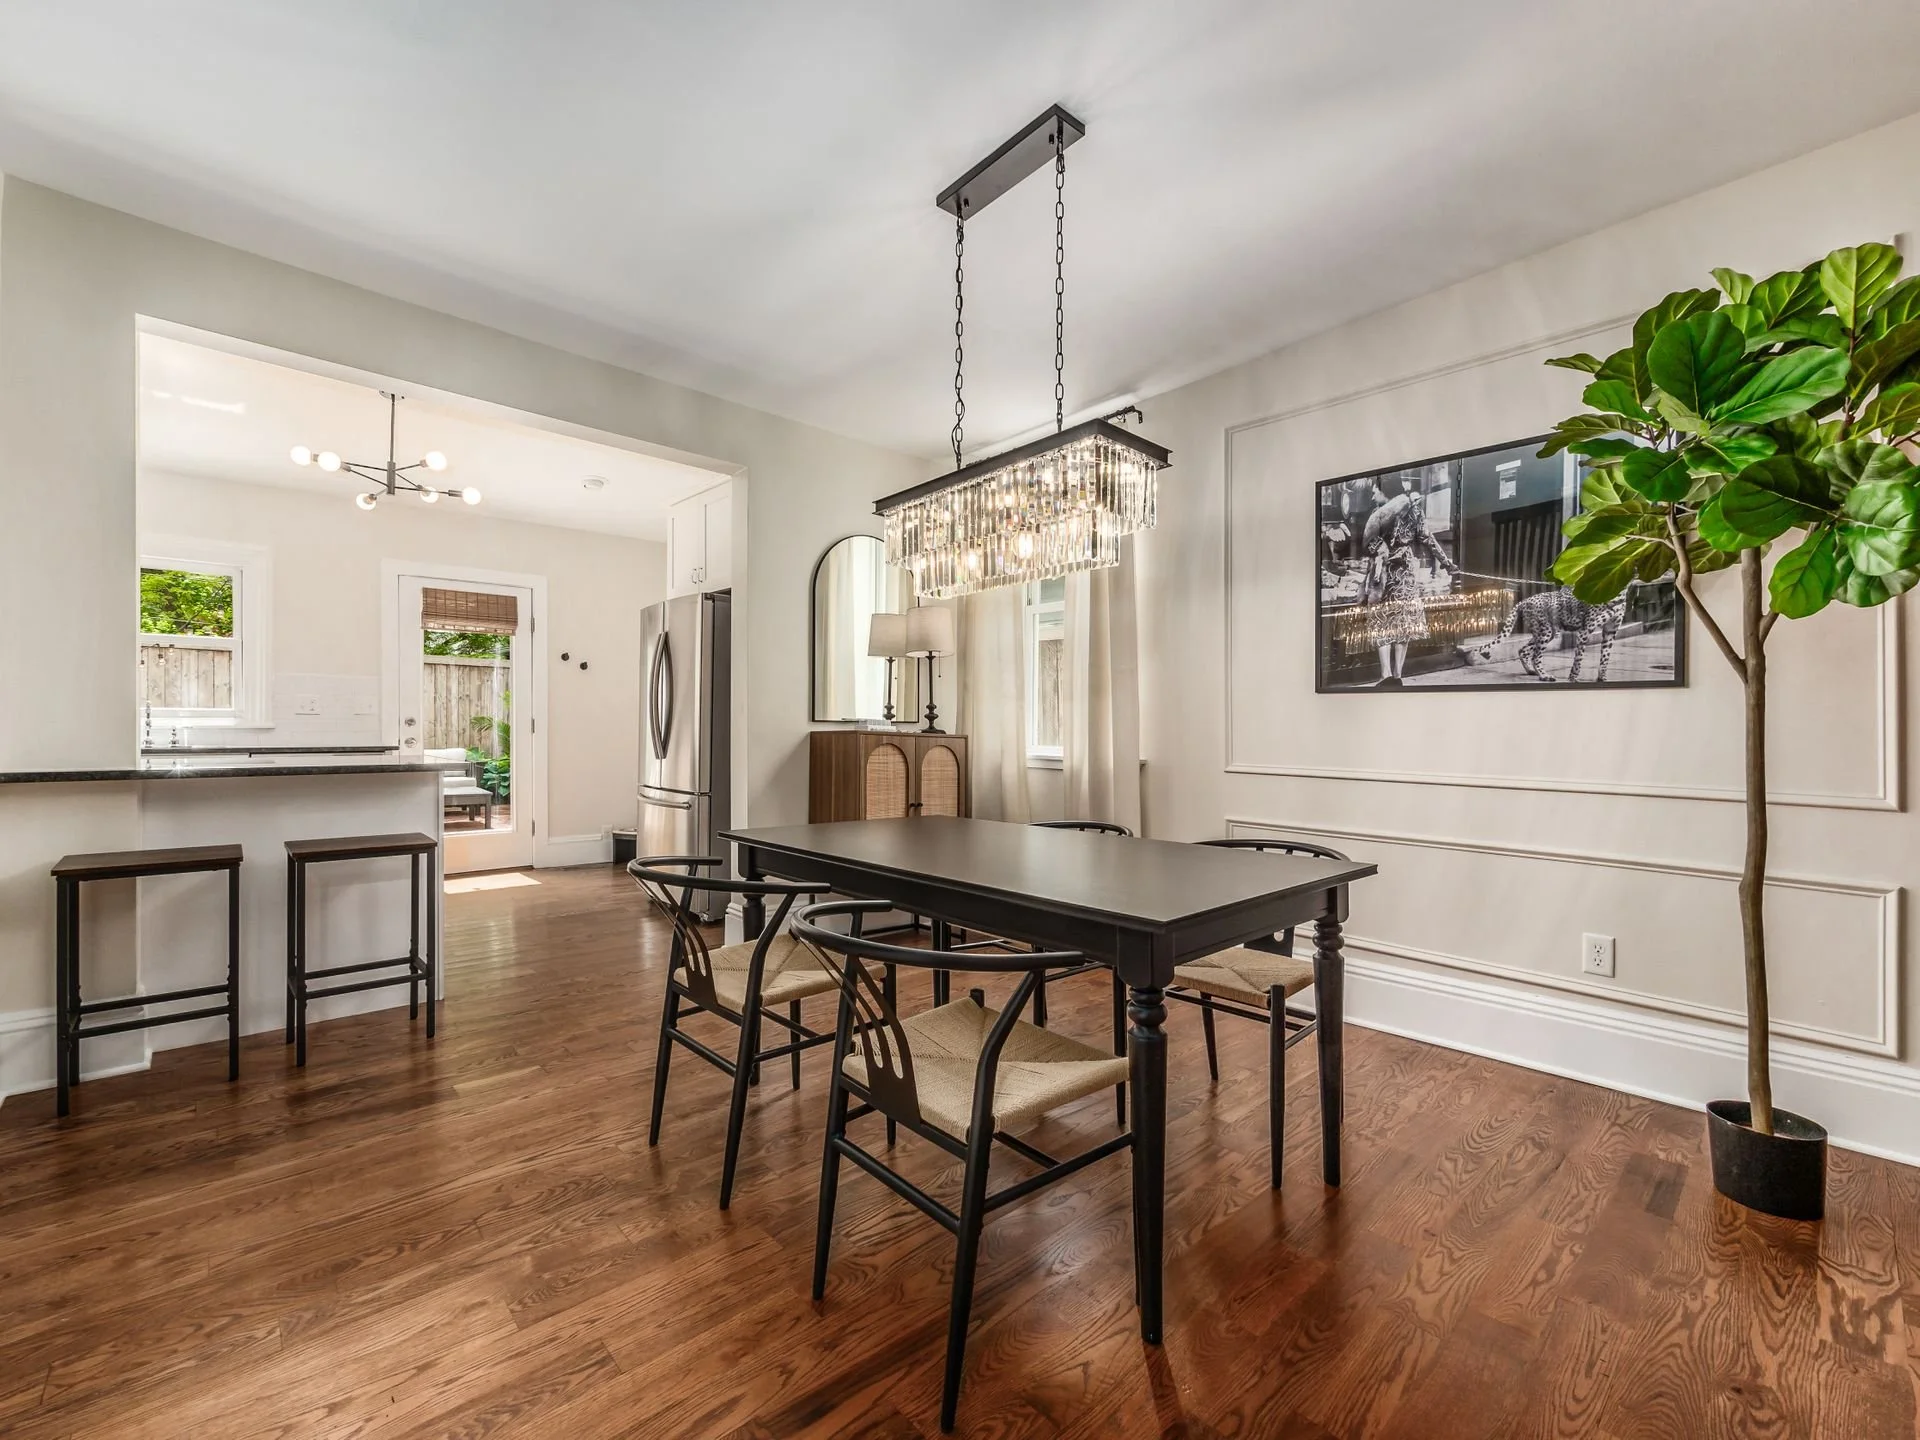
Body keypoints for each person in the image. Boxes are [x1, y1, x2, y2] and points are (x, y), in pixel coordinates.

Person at [1359, 472, 1459, 687]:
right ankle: (1397, 675)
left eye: (1376, 490)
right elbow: (1428, 539)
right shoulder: (1414, 511)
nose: (1373, 494)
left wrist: (1381, 554)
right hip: (1404, 573)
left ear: (1386, 491)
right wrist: (1446, 563)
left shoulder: (1378, 516)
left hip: (1382, 574)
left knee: (1382, 622)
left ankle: (1385, 675)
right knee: (1403, 623)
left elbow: (1370, 546)